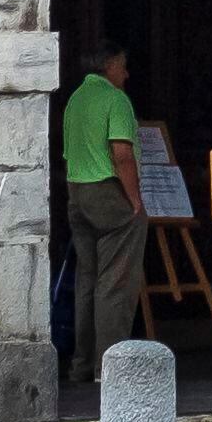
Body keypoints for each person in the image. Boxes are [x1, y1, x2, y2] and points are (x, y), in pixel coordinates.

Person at [59, 37, 145, 396]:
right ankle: (108, 366)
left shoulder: (76, 99)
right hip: (109, 191)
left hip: (77, 192)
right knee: (116, 283)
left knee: (88, 280)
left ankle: (81, 364)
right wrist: (135, 200)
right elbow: (121, 152)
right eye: (122, 65)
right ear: (108, 66)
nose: (126, 73)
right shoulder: (115, 99)